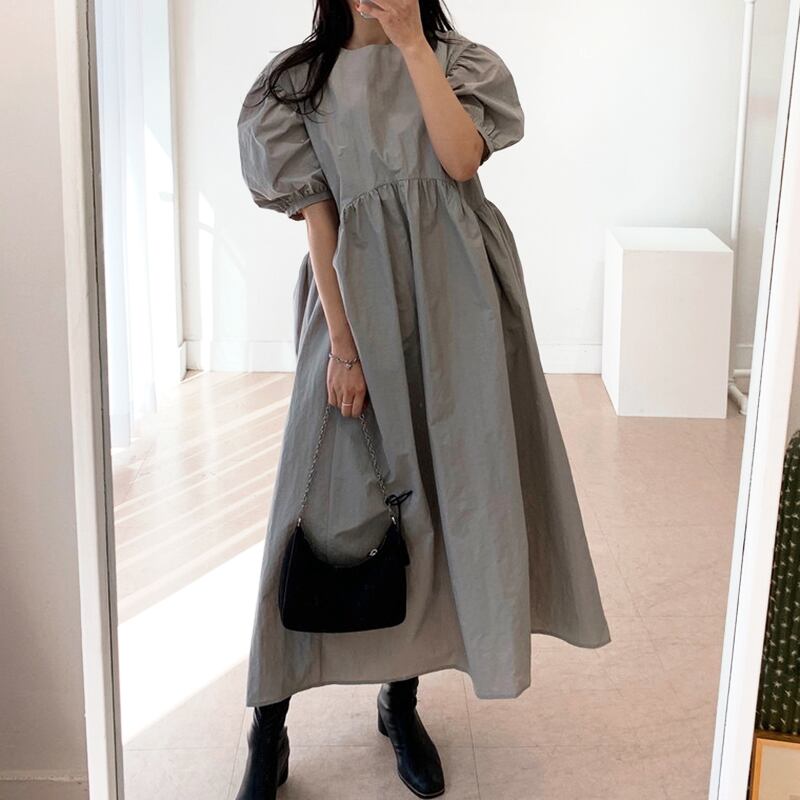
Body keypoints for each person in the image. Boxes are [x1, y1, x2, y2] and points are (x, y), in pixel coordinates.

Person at [235, 0, 611, 797]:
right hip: (355, 307)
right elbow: (320, 223)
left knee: (432, 505)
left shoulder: (457, 63)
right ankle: (268, 726)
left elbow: (461, 162)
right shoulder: (296, 84)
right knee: (319, 508)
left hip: (457, 307)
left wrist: (411, 43)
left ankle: (399, 704)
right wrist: (344, 347)